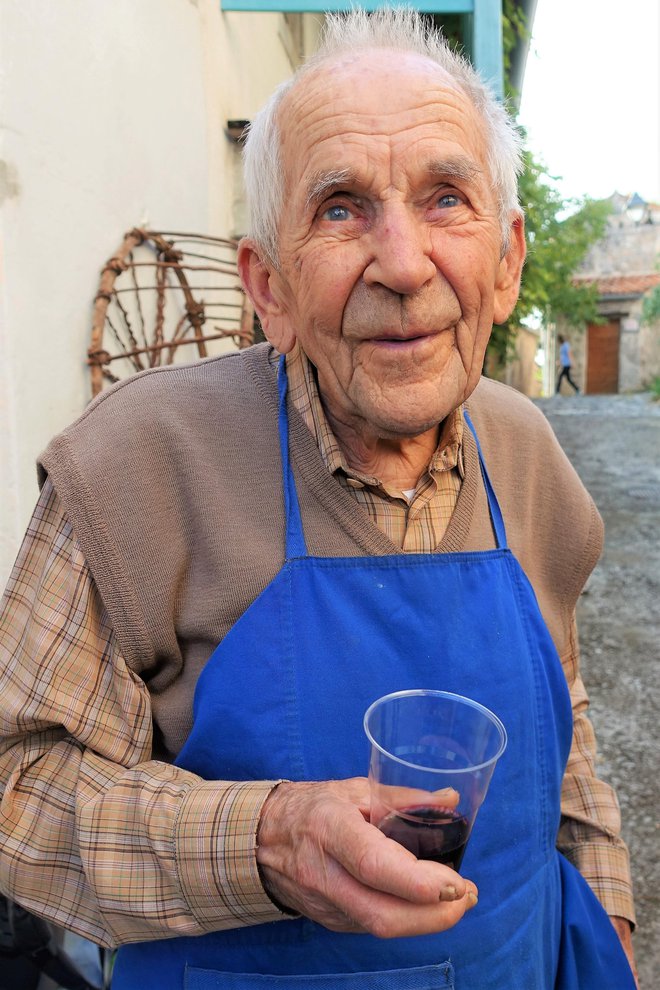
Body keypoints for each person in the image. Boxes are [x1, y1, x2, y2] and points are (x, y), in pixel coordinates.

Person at [0, 9, 637, 988]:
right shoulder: (135, 467)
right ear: (270, 287)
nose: (402, 262)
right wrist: (266, 839)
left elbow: (570, 715)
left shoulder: (527, 452)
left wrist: (615, 929)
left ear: (506, 262)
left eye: (444, 198)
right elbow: (17, 790)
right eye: (340, 207)